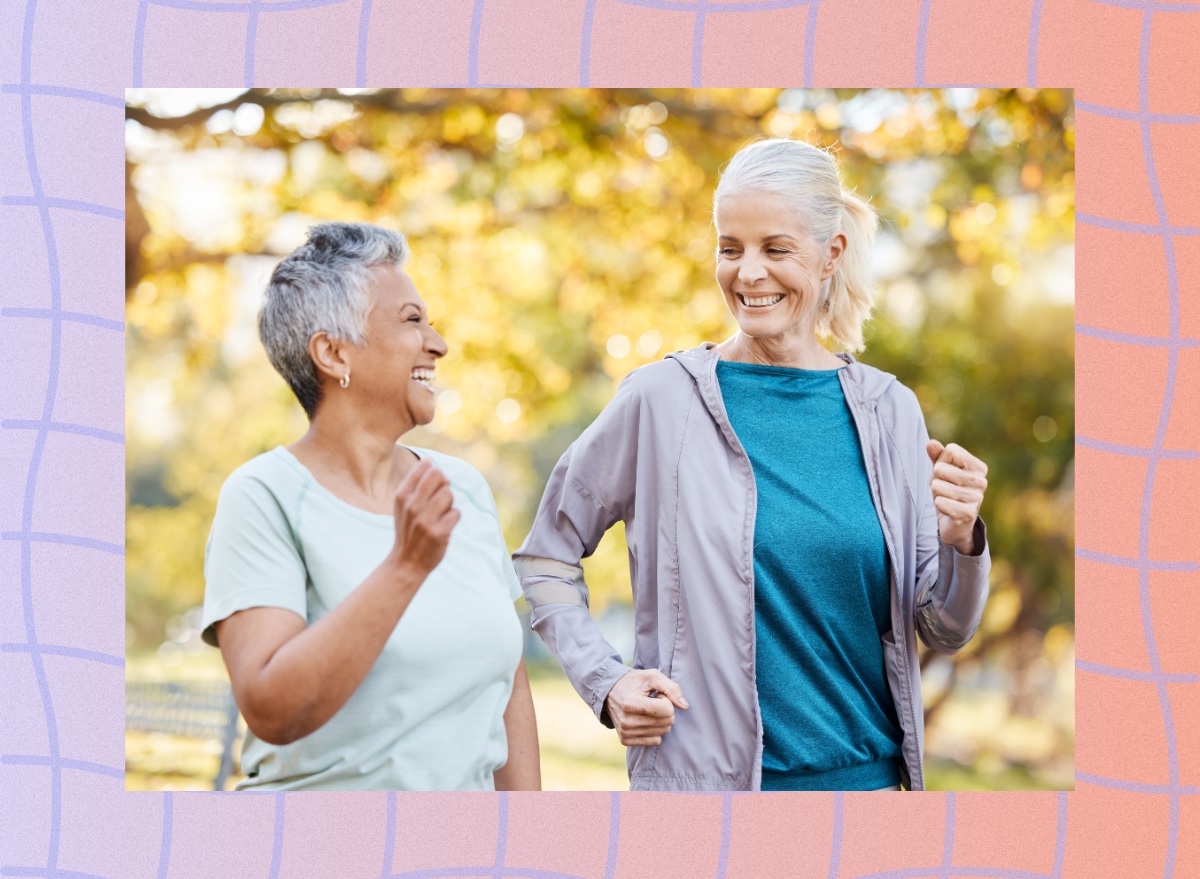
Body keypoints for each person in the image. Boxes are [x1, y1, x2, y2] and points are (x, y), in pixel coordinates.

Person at [513, 138, 990, 792]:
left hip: (866, 791)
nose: (748, 273)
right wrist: (607, 680)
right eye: (729, 248)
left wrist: (963, 537)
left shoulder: (890, 412)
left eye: (776, 248)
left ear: (831, 255)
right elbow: (546, 557)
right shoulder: (662, 399)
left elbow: (943, 627)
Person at [200, 221, 540, 791]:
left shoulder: (463, 488)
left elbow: (509, 686)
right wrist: (404, 567)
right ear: (332, 353)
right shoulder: (262, 495)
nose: (438, 343)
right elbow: (270, 708)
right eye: (411, 321)